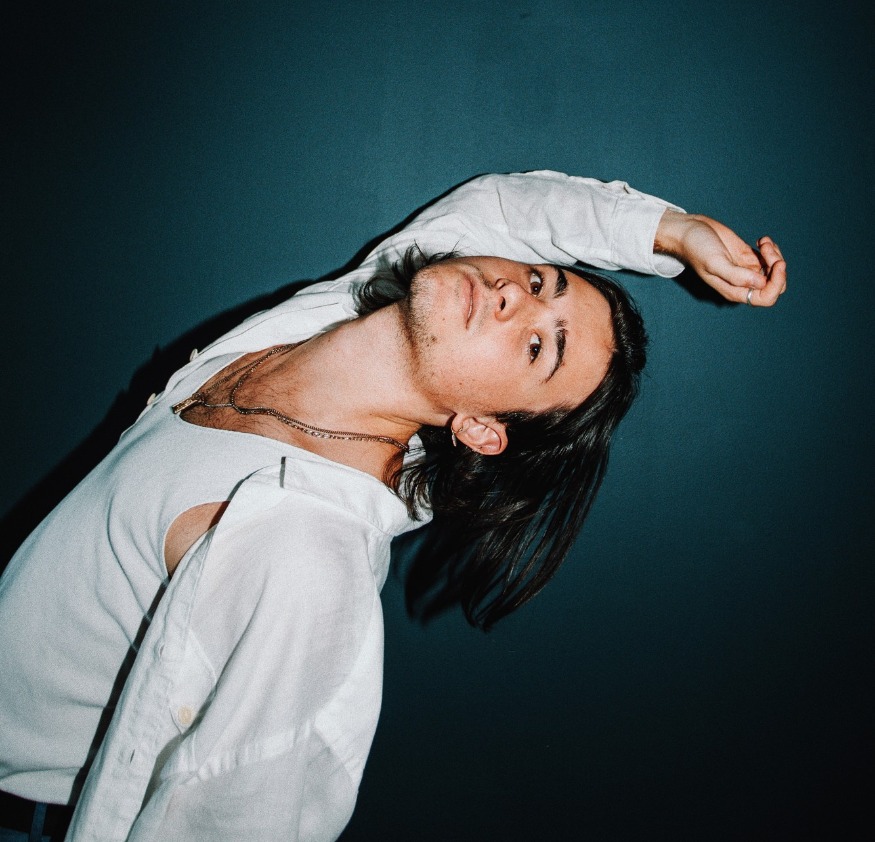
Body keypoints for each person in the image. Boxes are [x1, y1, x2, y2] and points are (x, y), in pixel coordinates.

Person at [0, 171, 786, 841]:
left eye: (536, 347)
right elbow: (506, 206)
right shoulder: (332, 317)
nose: (511, 295)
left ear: (479, 429)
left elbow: (237, 819)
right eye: (539, 282)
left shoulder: (303, 547)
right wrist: (674, 231)